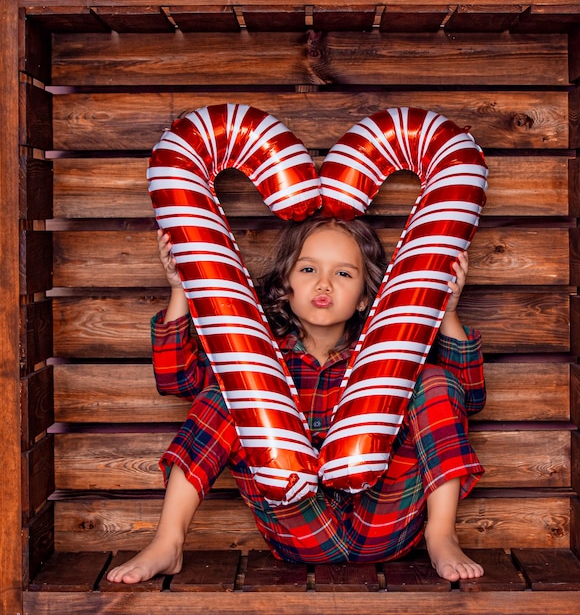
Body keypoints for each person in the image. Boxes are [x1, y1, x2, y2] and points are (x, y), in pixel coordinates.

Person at [106, 216, 486, 584]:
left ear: (363, 298)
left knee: (435, 380)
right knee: (228, 391)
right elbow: (179, 380)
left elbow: (464, 395)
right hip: (297, 524)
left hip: (386, 521)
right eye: (308, 270)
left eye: (343, 273)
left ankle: (442, 536)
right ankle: (167, 542)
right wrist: (179, 290)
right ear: (285, 285)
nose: (324, 285)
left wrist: (447, 312)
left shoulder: (387, 358)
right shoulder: (258, 358)